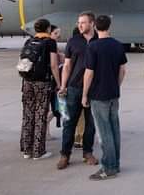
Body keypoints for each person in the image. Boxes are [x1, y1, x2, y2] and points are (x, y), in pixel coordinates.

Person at [82, 15, 128, 180]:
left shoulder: (93, 47)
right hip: (113, 94)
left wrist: (85, 94)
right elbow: (123, 70)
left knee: (104, 132)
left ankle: (108, 167)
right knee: (114, 128)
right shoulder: (117, 45)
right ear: (109, 26)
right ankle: (115, 164)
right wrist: (116, 85)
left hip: (98, 94)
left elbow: (89, 73)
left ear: (95, 26)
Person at [57, 13, 98, 170]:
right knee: (69, 122)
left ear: (92, 23)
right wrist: (63, 86)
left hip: (94, 90)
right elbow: (67, 66)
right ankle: (65, 155)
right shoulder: (73, 41)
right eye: (79, 22)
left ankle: (87, 153)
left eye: (83, 22)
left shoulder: (98, 41)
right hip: (74, 88)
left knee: (91, 124)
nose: (80, 25)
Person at [20, 18, 61, 161]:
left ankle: (26, 150)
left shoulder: (29, 41)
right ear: (48, 29)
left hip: (27, 82)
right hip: (42, 83)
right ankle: (38, 151)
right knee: (40, 116)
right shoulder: (50, 42)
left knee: (28, 115)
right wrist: (59, 83)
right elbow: (54, 65)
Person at [47, 25, 63, 141]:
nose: (58, 36)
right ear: (50, 33)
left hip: (47, 81)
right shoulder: (51, 45)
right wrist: (59, 84)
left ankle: (45, 132)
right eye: (56, 33)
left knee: (53, 109)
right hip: (53, 82)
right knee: (56, 108)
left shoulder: (50, 45)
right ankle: (45, 130)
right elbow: (54, 65)